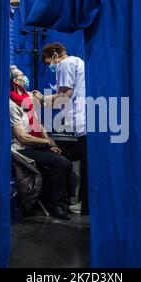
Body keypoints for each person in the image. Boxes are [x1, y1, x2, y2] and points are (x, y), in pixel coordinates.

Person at [9, 65, 73, 220]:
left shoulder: (29, 98)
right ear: (13, 81)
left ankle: (58, 201)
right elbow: (22, 137)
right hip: (21, 148)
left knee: (66, 159)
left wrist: (50, 143)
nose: (24, 78)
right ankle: (56, 205)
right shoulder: (11, 104)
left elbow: (38, 123)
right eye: (20, 75)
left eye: (24, 74)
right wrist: (46, 142)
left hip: (36, 144)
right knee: (60, 162)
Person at [33, 43, 89, 215]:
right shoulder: (78, 61)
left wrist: (42, 99)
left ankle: (77, 204)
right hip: (84, 119)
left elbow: (64, 97)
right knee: (85, 163)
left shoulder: (64, 64)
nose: (50, 66)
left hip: (79, 121)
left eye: (49, 61)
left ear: (56, 55)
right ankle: (81, 202)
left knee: (70, 158)